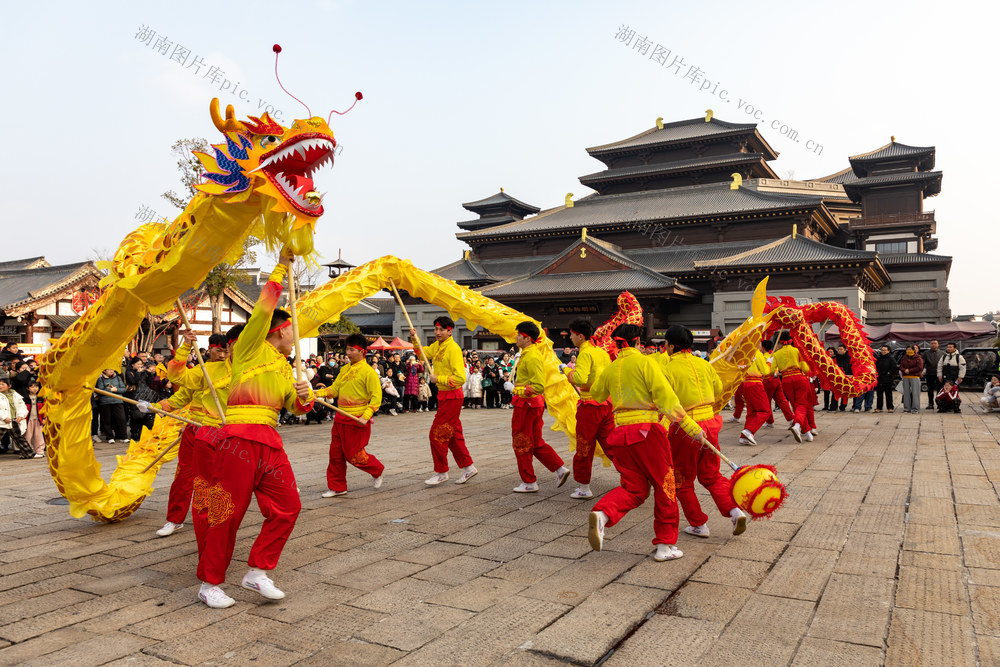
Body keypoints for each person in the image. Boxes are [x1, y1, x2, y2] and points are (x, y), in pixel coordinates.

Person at [195, 254, 314, 609]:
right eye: (293, 331)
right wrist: (280, 267)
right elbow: (262, 310)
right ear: (280, 330)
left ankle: (258, 571)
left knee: (288, 506)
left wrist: (305, 396)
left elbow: (294, 406)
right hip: (239, 439)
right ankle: (209, 584)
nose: (296, 338)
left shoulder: (286, 366)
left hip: (270, 442)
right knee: (227, 511)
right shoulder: (249, 348)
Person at [588, 323, 704, 563]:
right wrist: (692, 428)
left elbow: (597, 395)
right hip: (647, 432)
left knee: (634, 488)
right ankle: (665, 544)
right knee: (665, 486)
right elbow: (666, 399)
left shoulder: (611, 367)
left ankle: (603, 514)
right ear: (638, 342)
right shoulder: (646, 363)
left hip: (620, 434)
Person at [659, 325, 747, 537]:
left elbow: (665, 401)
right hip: (709, 422)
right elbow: (718, 389)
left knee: (682, 480)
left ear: (671, 345)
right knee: (712, 475)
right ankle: (734, 511)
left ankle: (699, 524)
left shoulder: (667, 368)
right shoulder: (704, 364)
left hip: (685, 427)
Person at [152, 331, 231, 538]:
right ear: (210, 349)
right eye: (218, 351)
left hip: (219, 431)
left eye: (226, 351)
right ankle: (175, 519)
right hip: (193, 429)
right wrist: (157, 406)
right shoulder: (199, 370)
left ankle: (217, 516)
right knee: (183, 476)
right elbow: (181, 392)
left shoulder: (235, 370)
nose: (222, 355)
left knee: (217, 478)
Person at [409, 318, 478, 485]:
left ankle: (441, 472)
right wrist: (414, 338)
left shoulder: (453, 349)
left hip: (452, 396)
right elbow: (422, 354)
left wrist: (438, 378)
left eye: (441, 329)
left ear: (449, 331)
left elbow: (460, 378)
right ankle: (468, 467)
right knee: (453, 435)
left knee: (437, 434)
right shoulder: (437, 346)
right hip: (444, 395)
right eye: (436, 329)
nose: (437, 332)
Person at [316, 333, 384, 497]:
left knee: (354, 455)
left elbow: (376, 397)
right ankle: (337, 487)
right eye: (347, 349)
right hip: (341, 417)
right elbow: (334, 390)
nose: (348, 353)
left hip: (357, 419)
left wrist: (366, 416)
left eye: (352, 350)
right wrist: (316, 393)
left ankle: (377, 469)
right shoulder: (344, 369)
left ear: (362, 351)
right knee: (335, 455)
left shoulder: (369, 372)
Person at [510, 321, 570, 493]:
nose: (516, 338)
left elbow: (538, 386)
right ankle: (559, 469)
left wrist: (514, 389)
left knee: (521, 442)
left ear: (527, 338)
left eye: (519, 335)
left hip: (526, 404)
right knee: (535, 442)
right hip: (531, 404)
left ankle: (529, 481)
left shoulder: (532, 356)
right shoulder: (528, 354)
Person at [562, 319, 613, 500]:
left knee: (584, 445)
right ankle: (633, 474)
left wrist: (567, 371)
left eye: (572, 334)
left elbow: (580, 379)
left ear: (580, 336)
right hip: (606, 404)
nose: (570, 337)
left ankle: (584, 487)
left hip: (590, 406)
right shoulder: (601, 352)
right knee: (611, 444)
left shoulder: (584, 353)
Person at [773, 332, 815, 442]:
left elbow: (772, 371)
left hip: (786, 380)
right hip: (799, 378)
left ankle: (807, 432)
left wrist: (770, 363)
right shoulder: (797, 351)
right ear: (791, 340)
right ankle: (797, 425)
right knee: (802, 404)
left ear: (780, 342)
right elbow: (805, 368)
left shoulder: (776, 354)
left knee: (795, 405)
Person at [736, 342, 771, 446]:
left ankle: (744, 437)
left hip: (746, 384)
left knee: (751, 412)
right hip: (756, 384)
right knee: (765, 411)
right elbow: (765, 371)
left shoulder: (744, 353)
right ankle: (749, 431)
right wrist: (769, 363)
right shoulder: (757, 353)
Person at [761, 340, 793, 427]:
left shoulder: (763, 357)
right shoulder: (773, 355)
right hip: (776, 380)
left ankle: (769, 421)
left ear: (763, 348)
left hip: (768, 380)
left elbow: (764, 371)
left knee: (767, 401)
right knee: (782, 400)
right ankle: (791, 419)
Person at [95, 368, 130, 443]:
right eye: (109, 369)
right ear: (104, 371)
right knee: (107, 420)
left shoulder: (118, 378)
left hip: (118, 401)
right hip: (105, 402)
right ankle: (109, 437)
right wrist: (110, 390)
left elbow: (123, 389)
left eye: (112, 370)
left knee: (121, 419)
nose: (111, 371)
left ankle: (123, 436)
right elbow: (100, 391)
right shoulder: (101, 379)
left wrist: (116, 390)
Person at [0, 374, 30, 457]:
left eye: (3, 384)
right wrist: (4, 417)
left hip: (13, 420)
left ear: (9, 386)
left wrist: (21, 415)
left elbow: (22, 406)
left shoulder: (15, 395)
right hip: (2, 421)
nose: (0, 386)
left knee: (19, 438)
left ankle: (28, 453)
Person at [24, 380, 46, 458]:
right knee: (27, 436)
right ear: (28, 388)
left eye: (36, 386)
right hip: (27, 420)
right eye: (32, 387)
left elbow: (45, 408)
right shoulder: (25, 398)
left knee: (38, 436)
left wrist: (44, 418)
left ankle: (40, 451)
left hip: (38, 419)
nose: (35, 388)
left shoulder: (41, 398)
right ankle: (27, 451)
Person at [899, 345, 924, 413]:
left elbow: (920, 367)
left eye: (910, 349)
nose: (909, 351)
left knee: (915, 393)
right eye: (907, 349)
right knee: (906, 393)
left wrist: (909, 370)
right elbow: (901, 366)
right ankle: (906, 408)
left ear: (913, 350)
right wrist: (904, 370)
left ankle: (915, 409)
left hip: (915, 377)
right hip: (906, 377)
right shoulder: (904, 358)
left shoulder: (918, 357)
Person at [873, 346, 899, 413]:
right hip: (879, 378)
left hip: (888, 378)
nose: (883, 351)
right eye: (882, 350)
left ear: (888, 351)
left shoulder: (891, 358)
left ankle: (890, 407)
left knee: (888, 394)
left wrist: (889, 373)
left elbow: (894, 368)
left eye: (884, 350)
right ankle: (879, 407)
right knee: (879, 394)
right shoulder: (879, 358)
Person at [922, 340, 943, 410]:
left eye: (935, 343)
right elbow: (922, 363)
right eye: (932, 343)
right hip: (929, 374)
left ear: (938, 344)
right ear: (930, 345)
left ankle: (939, 404)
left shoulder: (942, 353)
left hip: (939, 374)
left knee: (940, 389)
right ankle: (930, 404)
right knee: (930, 389)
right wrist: (921, 372)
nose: (933, 345)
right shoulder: (926, 353)